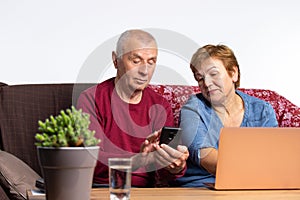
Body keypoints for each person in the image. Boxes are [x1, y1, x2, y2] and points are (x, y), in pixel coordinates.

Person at [76, 29, 189, 187]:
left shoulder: (160, 105)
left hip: (146, 193)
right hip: (102, 189)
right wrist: (139, 159)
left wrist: (176, 166)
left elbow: (165, 174)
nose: (144, 71)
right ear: (116, 60)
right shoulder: (91, 99)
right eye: (136, 61)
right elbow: (91, 162)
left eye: (151, 62)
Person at [170, 44, 278, 187]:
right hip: (200, 188)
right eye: (200, 78)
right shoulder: (193, 108)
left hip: (252, 187)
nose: (207, 83)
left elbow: (273, 158)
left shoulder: (262, 110)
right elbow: (204, 157)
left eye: (213, 74)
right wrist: (258, 168)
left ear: (233, 73)